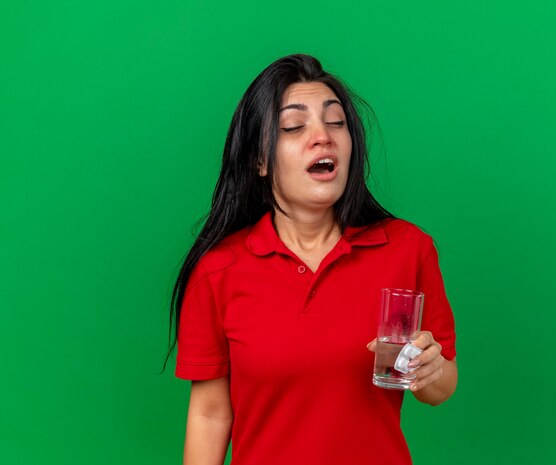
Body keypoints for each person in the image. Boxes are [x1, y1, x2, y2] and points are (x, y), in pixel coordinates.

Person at [166, 54, 457, 465]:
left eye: (336, 122)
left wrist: (430, 370)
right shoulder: (219, 271)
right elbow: (210, 413)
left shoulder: (408, 249)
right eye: (293, 126)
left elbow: (441, 388)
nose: (323, 137)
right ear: (260, 161)